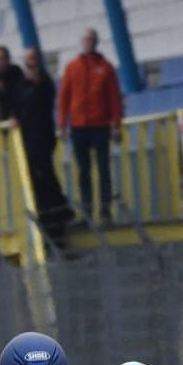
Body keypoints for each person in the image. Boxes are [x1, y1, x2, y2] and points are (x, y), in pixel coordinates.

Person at [59, 29, 123, 225]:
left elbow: (114, 98)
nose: (88, 42)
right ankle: (86, 211)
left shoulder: (105, 67)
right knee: (84, 171)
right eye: (86, 39)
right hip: (79, 126)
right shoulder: (72, 67)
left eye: (91, 39)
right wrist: (63, 123)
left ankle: (105, 211)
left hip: (100, 125)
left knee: (103, 169)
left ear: (96, 42)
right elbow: (64, 98)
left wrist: (116, 124)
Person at [12, 45, 69, 238]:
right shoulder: (20, 85)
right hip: (28, 141)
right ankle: (47, 219)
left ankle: (57, 216)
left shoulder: (44, 83)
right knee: (37, 181)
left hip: (42, 139)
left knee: (46, 178)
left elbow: (43, 102)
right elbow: (17, 108)